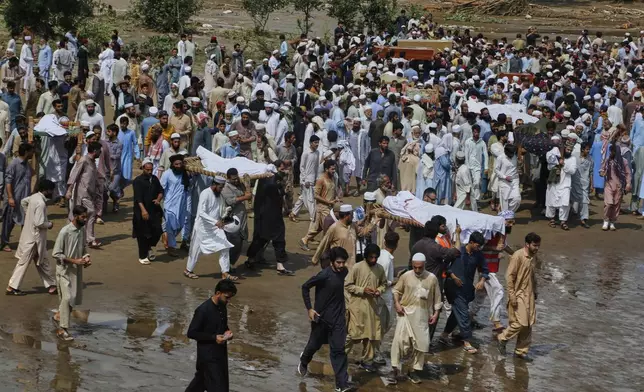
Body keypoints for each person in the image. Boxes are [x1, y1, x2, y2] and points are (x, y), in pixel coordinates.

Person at [299, 247, 354, 392]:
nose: (342, 266)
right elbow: (305, 287)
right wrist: (309, 308)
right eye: (339, 262)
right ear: (332, 262)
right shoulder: (324, 275)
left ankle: (341, 385)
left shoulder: (345, 273)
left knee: (339, 350)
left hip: (338, 320)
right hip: (321, 319)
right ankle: (304, 360)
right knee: (314, 345)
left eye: (343, 263)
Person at [387, 253, 442, 385]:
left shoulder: (432, 278)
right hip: (405, 314)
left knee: (422, 345)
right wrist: (397, 304)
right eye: (415, 267)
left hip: (422, 316)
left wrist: (435, 314)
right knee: (399, 341)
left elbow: (438, 298)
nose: (417, 270)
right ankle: (394, 369)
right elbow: (396, 291)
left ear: (425, 265)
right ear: (412, 265)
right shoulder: (406, 276)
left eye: (420, 268)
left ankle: (413, 370)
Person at [439, 231, 488, 354]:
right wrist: (454, 277)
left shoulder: (478, 255)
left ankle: (444, 335)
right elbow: (444, 266)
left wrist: (482, 280)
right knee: (464, 314)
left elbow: (485, 270)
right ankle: (467, 341)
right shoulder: (457, 251)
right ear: (471, 242)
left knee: (456, 313)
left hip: (466, 289)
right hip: (453, 287)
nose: (479, 248)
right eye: (477, 245)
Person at [5, 179, 56, 296]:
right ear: (47, 190)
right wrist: (49, 224)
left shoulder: (34, 197)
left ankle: (52, 285)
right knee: (24, 263)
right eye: (51, 190)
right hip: (34, 239)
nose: (52, 192)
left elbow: (24, 202)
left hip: (31, 237)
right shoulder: (41, 203)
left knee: (42, 262)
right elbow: (39, 223)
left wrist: (29, 214)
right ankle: (12, 287)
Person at [185, 279, 237, 392]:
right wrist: (214, 338)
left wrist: (227, 332)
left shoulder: (222, 306)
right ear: (218, 293)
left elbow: (222, 325)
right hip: (207, 357)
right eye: (227, 297)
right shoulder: (203, 310)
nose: (229, 300)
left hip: (219, 354)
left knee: (199, 384)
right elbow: (191, 333)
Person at [497, 232, 541, 362]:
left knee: (528, 324)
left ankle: (521, 351)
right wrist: (512, 296)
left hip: (529, 294)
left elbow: (532, 276)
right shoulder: (518, 256)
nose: (537, 248)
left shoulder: (533, 257)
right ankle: (503, 337)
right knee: (520, 322)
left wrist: (536, 291)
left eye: (538, 246)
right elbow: (509, 276)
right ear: (527, 244)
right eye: (535, 245)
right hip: (518, 294)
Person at [344, 243, 387, 372]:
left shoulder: (379, 269)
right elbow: (348, 285)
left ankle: (367, 360)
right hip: (357, 306)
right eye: (371, 257)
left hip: (372, 308)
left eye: (375, 258)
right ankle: (340, 355)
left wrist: (379, 290)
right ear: (366, 256)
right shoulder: (357, 267)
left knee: (372, 335)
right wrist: (362, 290)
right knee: (353, 334)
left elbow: (384, 284)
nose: (373, 260)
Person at [245, 161, 294, 275]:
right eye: (280, 169)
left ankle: (279, 265)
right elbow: (278, 191)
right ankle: (253, 259)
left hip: (269, 216)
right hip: (268, 217)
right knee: (264, 239)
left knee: (270, 239)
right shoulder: (270, 182)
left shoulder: (264, 182)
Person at [52, 205, 92, 341]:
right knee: (67, 298)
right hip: (64, 270)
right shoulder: (65, 231)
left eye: (86, 217)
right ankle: (62, 330)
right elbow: (56, 254)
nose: (85, 220)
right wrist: (74, 260)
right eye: (83, 217)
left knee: (72, 299)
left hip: (76, 271)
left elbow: (83, 248)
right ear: (75, 216)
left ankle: (58, 316)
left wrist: (86, 257)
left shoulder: (81, 230)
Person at [185, 176, 235, 280]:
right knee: (195, 250)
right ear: (215, 185)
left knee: (225, 246)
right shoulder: (205, 193)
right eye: (220, 187)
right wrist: (215, 222)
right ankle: (188, 270)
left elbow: (220, 211)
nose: (221, 189)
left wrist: (226, 212)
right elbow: (201, 213)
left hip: (215, 228)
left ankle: (225, 272)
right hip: (202, 227)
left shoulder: (219, 196)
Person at [66, 141, 101, 248]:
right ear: (95, 151)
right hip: (82, 194)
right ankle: (90, 239)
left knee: (76, 216)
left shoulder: (93, 162)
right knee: (90, 213)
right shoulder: (83, 160)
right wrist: (69, 190)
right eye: (99, 151)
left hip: (90, 194)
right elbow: (74, 175)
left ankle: (70, 236)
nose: (100, 153)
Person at [299, 159, 338, 251]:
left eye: (335, 169)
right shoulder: (321, 180)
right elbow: (315, 195)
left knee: (319, 227)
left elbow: (332, 191)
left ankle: (304, 240)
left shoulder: (332, 178)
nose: (334, 171)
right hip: (322, 208)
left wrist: (336, 199)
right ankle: (326, 247)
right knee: (329, 228)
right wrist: (328, 202)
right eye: (332, 169)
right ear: (326, 169)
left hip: (329, 207)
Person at [1, 143, 34, 252]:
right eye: (31, 152)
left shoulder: (27, 165)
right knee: (9, 221)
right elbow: (8, 182)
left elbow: (32, 174)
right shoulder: (14, 164)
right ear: (26, 152)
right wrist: (10, 197)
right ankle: (4, 242)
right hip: (14, 198)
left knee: (25, 221)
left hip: (25, 199)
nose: (32, 154)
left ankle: (24, 242)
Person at [374, 231, 399, 365]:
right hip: (383, 297)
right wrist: (394, 281)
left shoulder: (383, 256)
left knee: (384, 325)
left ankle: (375, 351)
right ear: (396, 245)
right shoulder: (386, 259)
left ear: (384, 241)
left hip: (383, 296)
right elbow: (382, 281)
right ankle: (374, 353)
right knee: (383, 325)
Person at [132, 158, 163, 265]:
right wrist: (143, 211)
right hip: (141, 211)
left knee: (157, 231)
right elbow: (138, 198)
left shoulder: (154, 179)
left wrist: (158, 199)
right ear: (143, 168)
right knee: (142, 234)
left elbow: (160, 191)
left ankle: (149, 246)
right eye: (147, 170)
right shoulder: (138, 181)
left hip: (154, 210)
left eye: (151, 169)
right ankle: (143, 256)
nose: (149, 172)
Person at [222, 168, 251, 270]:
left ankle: (230, 264)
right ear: (228, 178)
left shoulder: (239, 185)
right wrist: (245, 197)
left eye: (237, 178)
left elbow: (246, 193)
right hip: (232, 220)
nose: (236, 180)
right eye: (233, 179)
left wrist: (247, 186)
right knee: (234, 243)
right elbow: (230, 201)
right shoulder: (226, 187)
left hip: (242, 218)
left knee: (241, 241)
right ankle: (226, 266)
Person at [160, 154, 189, 256]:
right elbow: (161, 188)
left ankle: (165, 235)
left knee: (180, 225)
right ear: (172, 164)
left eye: (180, 164)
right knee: (171, 226)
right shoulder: (167, 174)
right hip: (169, 205)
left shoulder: (185, 174)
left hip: (181, 205)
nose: (178, 166)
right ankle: (171, 247)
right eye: (176, 164)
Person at [601, 142, 632, 230]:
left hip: (619, 186)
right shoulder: (608, 160)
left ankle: (612, 221)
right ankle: (606, 220)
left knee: (616, 204)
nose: (611, 153)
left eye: (612, 151)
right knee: (608, 203)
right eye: (610, 151)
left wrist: (628, 183)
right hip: (609, 185)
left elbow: (628, 173)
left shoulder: (624, 161)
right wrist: (602, 173)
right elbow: (602, 169)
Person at [545, 146, 577, 230]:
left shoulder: (572, 159)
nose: (569, 151)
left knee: (565, 203)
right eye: (567, 149)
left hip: (565, 184)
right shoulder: (554, 156)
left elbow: (572, 171)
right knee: (551, 202)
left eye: (570, 150)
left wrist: (563, 164)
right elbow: (549, 167)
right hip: (554, 183)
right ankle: (551, 219)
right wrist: (557, 163)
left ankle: (563, 221)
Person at [290, 134, 320, 222]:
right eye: (315, 142)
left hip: (313, 179)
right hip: (306, 180)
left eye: (318, 142)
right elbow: (302, 167)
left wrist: (316, 178)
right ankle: (313, 217)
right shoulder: (306, 153)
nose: (317, 144)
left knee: (303, 197)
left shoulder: (317, 153)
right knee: (310, 199)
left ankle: (293, 213)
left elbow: (316, 166)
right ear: (311, 143)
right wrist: (304, 179)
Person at [571, 142, 593, 228]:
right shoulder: (574, 156)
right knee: (571, 201)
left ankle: (584, 219)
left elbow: (591, 173)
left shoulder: (590, 159)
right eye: (587, 149)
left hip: (585, 184)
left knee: (584, 201)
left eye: (589, 149)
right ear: (582, 149)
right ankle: (565, 218)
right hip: (574, 182)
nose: (588, 151)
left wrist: (592, 185)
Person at [495, 144, 521, 212]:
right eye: (510, 153)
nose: (512, 155)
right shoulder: (500, 157)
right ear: (506, 151)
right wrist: (505, 177)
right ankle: (506, 218)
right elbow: (496, 170)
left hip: (514, 180)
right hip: (504, 182)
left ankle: (508, 213)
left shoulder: (514, 156)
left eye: (513, 153)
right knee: (505, 201)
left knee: (517, 199)